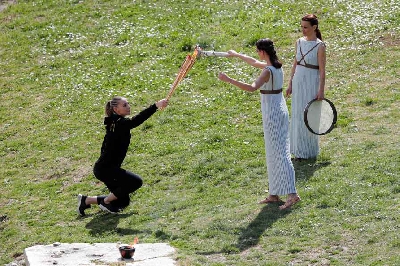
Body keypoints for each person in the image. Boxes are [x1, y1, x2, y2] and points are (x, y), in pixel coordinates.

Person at [218, 38, 300, 210]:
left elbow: (252, 87)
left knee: (280, 153)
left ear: (263, 52)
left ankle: (292, 194)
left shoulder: (267, 71)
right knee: (273, 151)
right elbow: (254, 62)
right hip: (277, 108)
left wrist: (229, 80)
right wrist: (237, 54)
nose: (257, 55)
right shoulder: (275, 66)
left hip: (273, 112)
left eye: (257, 51)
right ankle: (274, 193)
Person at [77, 96, 169, 216]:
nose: (128, 107)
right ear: (116, 109)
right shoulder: (119, 123)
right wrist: (156, 106)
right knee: (136, 182)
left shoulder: (115, 123)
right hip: (105, 169)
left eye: (128, 104)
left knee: (122, 202)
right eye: (124, 105)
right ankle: (105, 201)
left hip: (104, 168)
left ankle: (86, 200)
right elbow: (136, 121)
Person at [286, 14, 326, 160]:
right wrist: (290, 83)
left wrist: (321, 90)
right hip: (298, 80)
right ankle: (297, 150)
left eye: (306, 27)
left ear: (314, 27)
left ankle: (309, 151)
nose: (303, 30)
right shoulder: (299, 42)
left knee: (309, 115)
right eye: (301, 27)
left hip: (311, 80)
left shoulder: (320, 45)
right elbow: (295, 63)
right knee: (297, 114)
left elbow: (322, 71)